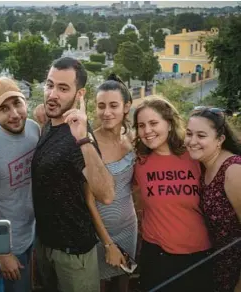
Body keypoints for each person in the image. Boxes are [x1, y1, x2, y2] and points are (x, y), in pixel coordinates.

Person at [31, 56, 115, 292]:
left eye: (63, 88)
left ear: (80, 94)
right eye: (49, 85)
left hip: (73, 254)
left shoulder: (79, 136)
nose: (52, 94)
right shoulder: (51, 123)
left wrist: (83, 140)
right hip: (47, 246)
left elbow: (106, 195)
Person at [132, 96, 213, 292]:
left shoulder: (194, 155)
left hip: (199, 254)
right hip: (157, 255)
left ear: (169, 124)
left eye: (153, 123)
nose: (147, 131)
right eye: (141, 125)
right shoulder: (138, 162)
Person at [0, 77, 40, 292]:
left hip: (31, 232)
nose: (15, 114)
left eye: (17, 103)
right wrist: (2, 253)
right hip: (8, 243)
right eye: (4, 108)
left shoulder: (34, 129)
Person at [86, 74, 137, 292]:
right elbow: (89, 200)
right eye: (101, 106)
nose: (106, 112)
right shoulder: (90, 144)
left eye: (113, 105)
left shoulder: (133, 139)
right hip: (99, 233)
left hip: (129, 226)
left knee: (123, 283)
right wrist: (107, 243)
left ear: (126, 107)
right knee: (99, 285)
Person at [185, 107, 241, 292]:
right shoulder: (203, 167)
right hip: (218, 264)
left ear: (220, 140)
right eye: (189, 133)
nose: (192, 141)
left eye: (201, 135)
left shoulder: (233, 171)